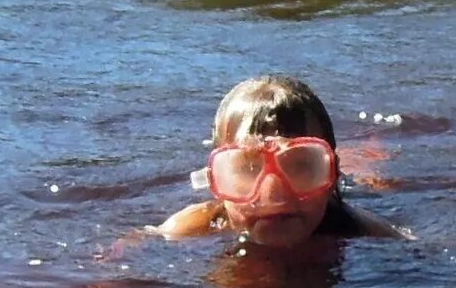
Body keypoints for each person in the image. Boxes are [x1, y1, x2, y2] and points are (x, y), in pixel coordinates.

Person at [154, 74, 403, 247]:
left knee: (373, 184)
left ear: (331, 174)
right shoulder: (199, 223)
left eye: (302, 164)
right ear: (216, 181)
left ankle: (370, 150)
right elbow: (131, 248)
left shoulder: (358, 227)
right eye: (249, 167)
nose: (274, 194)